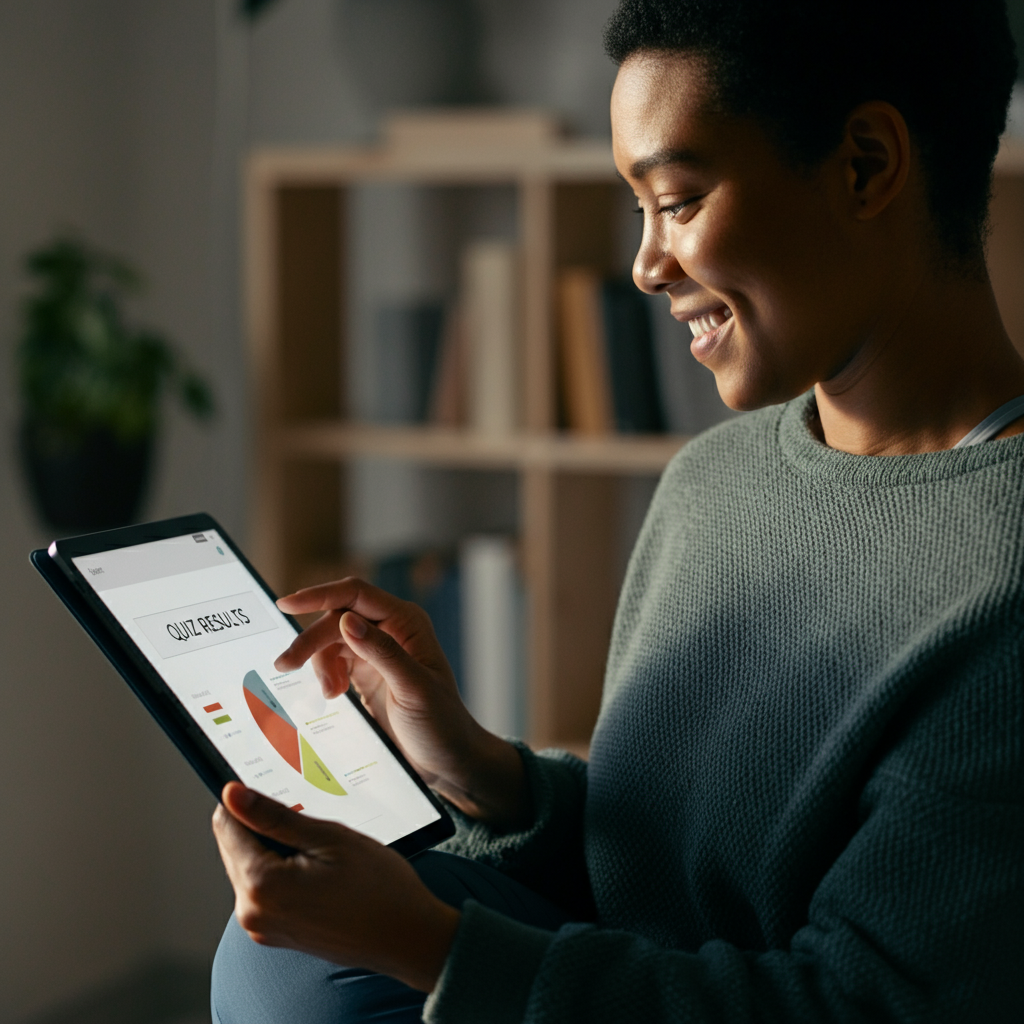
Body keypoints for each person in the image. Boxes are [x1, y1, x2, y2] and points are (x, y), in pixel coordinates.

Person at [210, 1, 1024, 1020]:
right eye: (635, 210)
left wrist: (432, 944)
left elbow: (867, 1004)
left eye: (676, 200)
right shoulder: (714, 480)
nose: (645, 264)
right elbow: (662, 875)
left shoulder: (1005, 576)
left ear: (864, 163)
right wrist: (480, 772)